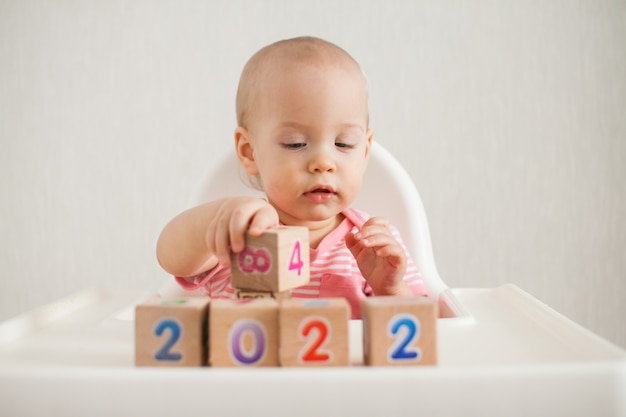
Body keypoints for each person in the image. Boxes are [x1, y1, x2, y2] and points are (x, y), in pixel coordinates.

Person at [156, 36, 427, 318]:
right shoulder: (239, 233)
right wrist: (219, 217)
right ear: (250, 152)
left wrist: (390, 287)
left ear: (365, 152)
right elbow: (170, 256)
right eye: (295, 143)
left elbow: (421, 328)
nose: (324, 163)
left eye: (343, 144)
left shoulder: (373, 243)